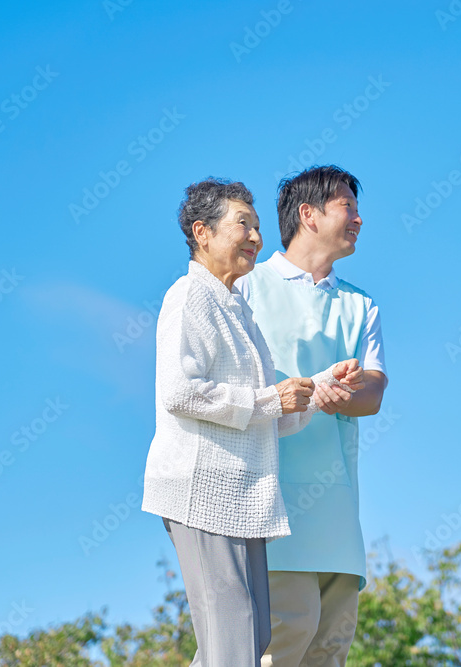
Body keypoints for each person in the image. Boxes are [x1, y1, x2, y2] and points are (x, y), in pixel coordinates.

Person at [141, 177, 364, 667]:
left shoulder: (239, 310)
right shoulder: (188, 296)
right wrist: (270, 401)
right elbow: (181, 392)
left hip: (243, 499)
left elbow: (270, 414)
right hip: (201, 490)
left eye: (258, 227)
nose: (257, 238)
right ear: (202, 233)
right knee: (235, 637)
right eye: (243, 224)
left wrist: (316, 388)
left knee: (251, 635)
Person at [235, 165, 388, 667]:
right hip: (270, 501)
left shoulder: (361, 305)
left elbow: (375, 391)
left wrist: (344, 388)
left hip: (340, 512)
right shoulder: (247, 287)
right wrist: (317, 385)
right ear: (308, 214)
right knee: (278, 641)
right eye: (348, 206)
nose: (359, 219)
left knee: (329, 649)